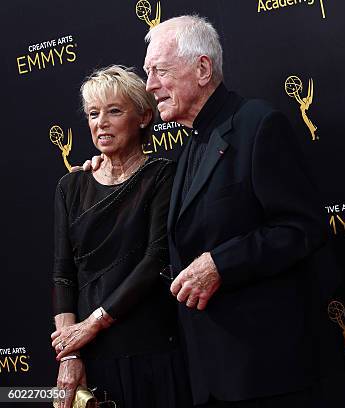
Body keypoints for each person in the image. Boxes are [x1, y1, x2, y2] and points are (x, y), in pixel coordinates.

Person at [86, 15, 327, 407]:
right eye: (148, 74)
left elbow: (303, 228)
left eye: (160, 71)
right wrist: (101, 170)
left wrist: (220, 264)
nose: (149, 87)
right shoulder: (188, 151)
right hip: (208, 379)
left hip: (267, 375)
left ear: (202, 69)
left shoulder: (257, 125)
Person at [51, 65, 191, 407]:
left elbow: (156, 259)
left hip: (151, 347)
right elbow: (63, 273)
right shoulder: (71, 185)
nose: (101, 122)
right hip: (92, 356)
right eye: (94, 113)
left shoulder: (162, 175)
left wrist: (94, 324)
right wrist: (70, 355)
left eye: (114, 111)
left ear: (143, 117)